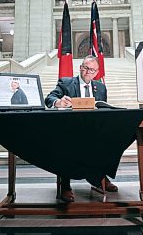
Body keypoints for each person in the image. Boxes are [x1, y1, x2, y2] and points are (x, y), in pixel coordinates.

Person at [44, 55, 118, 202]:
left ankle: (100, 178)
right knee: (67, 145)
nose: (88, 72)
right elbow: (49, 98)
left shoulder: (101, 87)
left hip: (93, 130)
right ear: (80, 68)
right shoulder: (66, 83)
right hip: (70, 130)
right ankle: (65, 185)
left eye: (92, 70)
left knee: (111, 141)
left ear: (96, 72)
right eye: (86, 68)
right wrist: (58, 102)